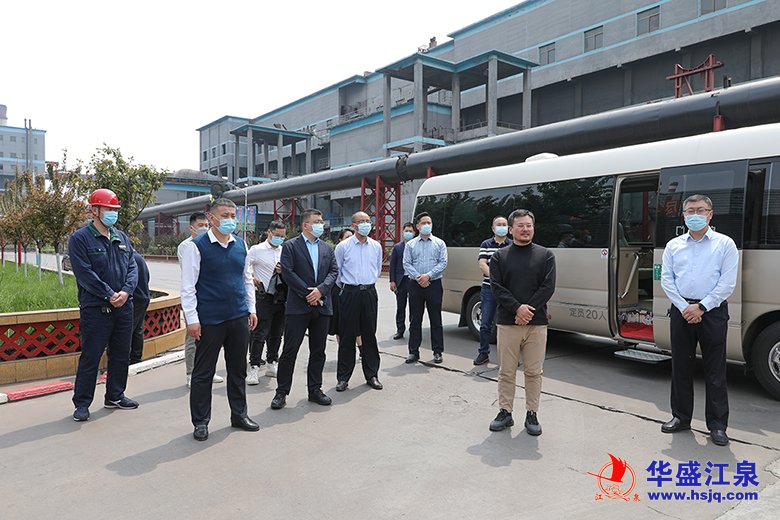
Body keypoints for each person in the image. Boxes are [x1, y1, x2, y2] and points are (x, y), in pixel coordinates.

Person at [660, 194, 738, 447]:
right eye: (690, 210)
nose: (695, 214)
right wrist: (685, 307)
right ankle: (681, 417)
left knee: (715, 370)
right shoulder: (673, 245)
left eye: (701, 210)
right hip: (681, 310)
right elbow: (667, 280)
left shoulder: (724, 244)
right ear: (683, 215)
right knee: (680, 367)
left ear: (710, 214)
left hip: (712, 312)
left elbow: (727, 283)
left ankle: (717, 425)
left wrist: (701, 307)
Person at [180, 198, 259, 441]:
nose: (230, 220)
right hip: (210, 320)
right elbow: (188, 287)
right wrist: (192, 320)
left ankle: (239, 415)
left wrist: (251, 309)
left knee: (238, 370)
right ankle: (201, 422)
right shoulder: (197, 246)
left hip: (238, 316)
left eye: (233, 216)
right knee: (203, 373)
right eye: (225, 216)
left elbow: (246, 279)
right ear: (211, 218)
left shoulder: (241, 244)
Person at [68, 188, 139, 422]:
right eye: (108, 209)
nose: (112, 213)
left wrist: (126, 292)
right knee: (91, 356)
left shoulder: (121, 237)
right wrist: (109, 294)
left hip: (124, 307)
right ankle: (82, 403)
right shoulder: (80, 239)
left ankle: (115, 396)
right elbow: (84, 274)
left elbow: (133, 267)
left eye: (114, 209)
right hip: (96, 309)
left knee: (121, 354)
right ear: (94, 210)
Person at [488, 209, 556, 436]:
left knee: (534, 372)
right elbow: (497, 288)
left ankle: (532, 413)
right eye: (520, 226)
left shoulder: (546, 255)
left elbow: (548, 287)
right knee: (506, 371)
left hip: (536, 324)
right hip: (508, 323)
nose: (525, 229)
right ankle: (505, 412)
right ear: (510, 229)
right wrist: (517, 308)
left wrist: (526, 311)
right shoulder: (499, 257)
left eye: (529, 225)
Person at [271, 208, 339, 410]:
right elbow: (288, 273)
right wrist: (308, 294)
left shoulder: (327, 248)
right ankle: (281, 392)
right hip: (298, 307)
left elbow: (334, 271)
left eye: (321, 221)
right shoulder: (290, 246)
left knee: (318, 351)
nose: (321, 224)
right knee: (290, 351)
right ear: (306, 225)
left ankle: (315, 389)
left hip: (322, 306)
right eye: (317, 221)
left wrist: (321, 291)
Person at [334, 211, 384, 392]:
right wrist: (348, 289)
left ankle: (372, 375)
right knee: (347, 335)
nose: (366, 224)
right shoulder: (343, 247)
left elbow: (377, 269)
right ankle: (343, 377)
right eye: (361, 221)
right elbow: (337, 272)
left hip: (369, 292)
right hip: (350, 293)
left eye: (368, 221)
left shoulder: (376, 246)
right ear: (353, 225)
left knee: (369, 334)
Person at [177, 212, 224, 388]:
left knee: (212, 337)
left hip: (211, 299)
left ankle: (209, 371)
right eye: (200, 225)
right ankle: (191, 373)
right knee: (192, 338)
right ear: (192, 228)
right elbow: (193, 274)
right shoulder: (186, 246)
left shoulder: (213, 243)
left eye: (206, 225)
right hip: (194, 298)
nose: (204, 228)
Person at [403, 212, 448, 364]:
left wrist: (428, 276)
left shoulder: (439, 243)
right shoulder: (410, 244)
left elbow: (443, 262)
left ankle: (438, 351)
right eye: (424, 223)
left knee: (436, 319)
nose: (427, 225)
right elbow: (406, 263)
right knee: (415, 320)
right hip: (415, 285)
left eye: (429, 222)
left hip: (434, 284)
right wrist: (419, 277)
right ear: (417, 226)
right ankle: (413, 352)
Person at [247, 220, 287, 383]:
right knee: (260, 333)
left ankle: (272, 362)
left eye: (282, 236)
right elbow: (244, 266)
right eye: (277, 235)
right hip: (264, 297)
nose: (280, 239)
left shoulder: (285, 250)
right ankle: (254, 366)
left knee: (277, 333)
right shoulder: (257, 250)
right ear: (269, 232)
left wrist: (284, 271)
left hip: (281, 297)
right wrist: (252, 276)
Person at [474, 216, 510, 365]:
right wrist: (496, 279)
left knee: (507, 325)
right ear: (493, 228)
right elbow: (482, 264)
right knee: (485, 323)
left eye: (504, 224)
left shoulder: (512, 245)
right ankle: (483, 353)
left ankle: (508, 357)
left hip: (508, 291)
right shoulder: (486, 244)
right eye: (498, 224)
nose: (502, 227)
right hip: (489, 289)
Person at [389, 222, 415, 340]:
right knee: (401, 307)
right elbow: (392, 265)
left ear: (414, 233)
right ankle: (400, 330)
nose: (408, 233)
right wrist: (392, 281)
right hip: (401, 281)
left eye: (410, 231)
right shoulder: (398, 247)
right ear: (403, 232)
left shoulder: (417, 246)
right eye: (406, 231)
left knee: (414, 306)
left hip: (413, 280)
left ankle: (414, 329)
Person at [129, 252, 150, 364]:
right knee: (138, 330)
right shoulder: (138, 258)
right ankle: (136, 359)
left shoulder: (130, 258)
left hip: (134, 299)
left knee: (127, 330)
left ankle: (122, 360)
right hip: (143, 297)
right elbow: (147, 277)